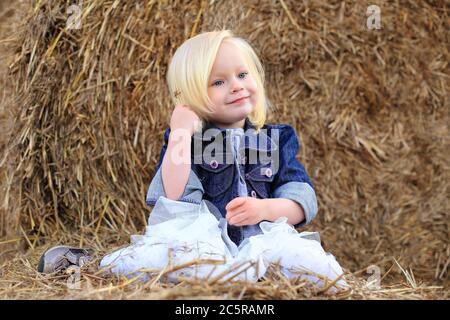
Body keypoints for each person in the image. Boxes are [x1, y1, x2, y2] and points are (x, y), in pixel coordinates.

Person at [98, 30, 347, 289]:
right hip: (207, 244)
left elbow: (302, 200)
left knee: (313, 268)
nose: (237, 85)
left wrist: (265, 210)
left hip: (264, 244)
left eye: (242, 75)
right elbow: (174, 198)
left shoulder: (276, 138)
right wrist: (180, 135)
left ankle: (252, 276)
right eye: (218, 82)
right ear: (193, 94)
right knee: (178, 261)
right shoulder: (188, 141)